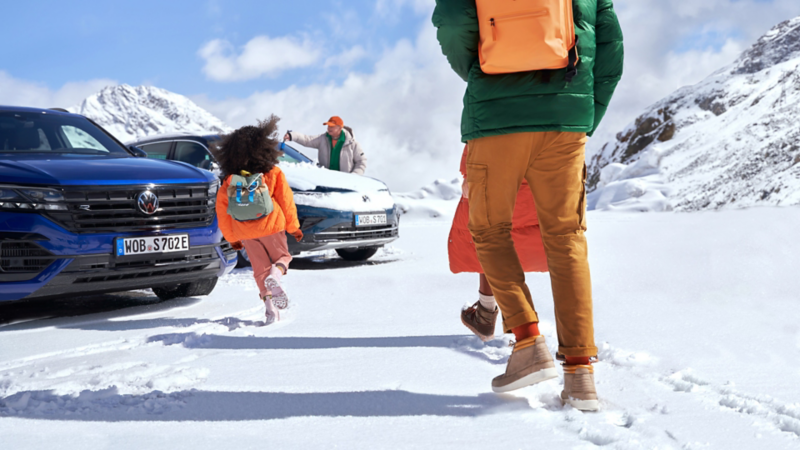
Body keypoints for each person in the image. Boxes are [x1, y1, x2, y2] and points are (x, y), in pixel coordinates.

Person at [433, 0, 624, 411]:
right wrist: (584, 112)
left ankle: (527, 342)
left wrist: (484, 71)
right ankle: (580, 375)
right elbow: (609, 43)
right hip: (565, 115)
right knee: (567, 238)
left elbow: (452, 21)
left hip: (497, 114)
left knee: (488, 229)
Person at [449, 145, 548, 342]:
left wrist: (468, 172)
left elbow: (478, 130)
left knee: (488, 237)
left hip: (493, 171)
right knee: (513, 241)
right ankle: (517, 322)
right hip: (534, 176)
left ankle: (490, 314)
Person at [214, 115, 303, 324]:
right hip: (272, 227)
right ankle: (276, 275)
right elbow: (286, 202)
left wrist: (232, 238)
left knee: (259, 271)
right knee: (283, 258)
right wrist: (294, 228)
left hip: (246, 233)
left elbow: (222, 211)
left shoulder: (230, 180)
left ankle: (270, 311)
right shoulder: (272, 173)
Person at [283, 116, 367, 175]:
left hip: (345, 184)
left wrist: (355, 175)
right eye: (328, 126)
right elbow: (307, 140)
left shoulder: (353, 144)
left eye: (332, 126)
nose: (328, 128)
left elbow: (361, 162)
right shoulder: (323, 139)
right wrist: (292, 136)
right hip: (326, 182)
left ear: (340, 128)